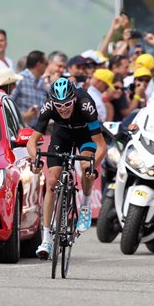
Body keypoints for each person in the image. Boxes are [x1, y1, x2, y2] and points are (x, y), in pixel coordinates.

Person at [26, 77, 107, 259]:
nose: (63, 108)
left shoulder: (86, 104)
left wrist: (93, 167)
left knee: (86, 165)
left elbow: (101, 146)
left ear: (75, 99)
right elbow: (32, 141)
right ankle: (46, 238)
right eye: (59, 105)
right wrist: (35, 159)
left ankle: (85, 206)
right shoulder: (48, 108)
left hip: (85, 135)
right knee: (52, 181)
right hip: (61, 135)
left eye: (68, 104)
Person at [10, 50, 48, 127]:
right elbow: (9, 103)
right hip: (19, 128)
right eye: (45, 63)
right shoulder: (20, 79)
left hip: (36, 130)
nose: (46, 66)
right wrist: (24, 116)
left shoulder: (42, 82)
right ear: (38, 64)